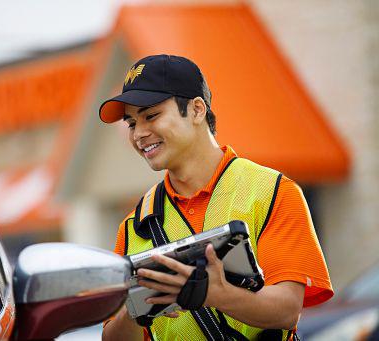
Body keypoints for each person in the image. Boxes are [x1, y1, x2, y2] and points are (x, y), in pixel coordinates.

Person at [99, 55, 333, 341]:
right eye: (132, 123)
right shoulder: (134, 225)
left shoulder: (272, 190)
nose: (139, 134)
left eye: (151, 115)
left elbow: (287, 309)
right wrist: (137, 311)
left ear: (197, 110)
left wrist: (216, 295)